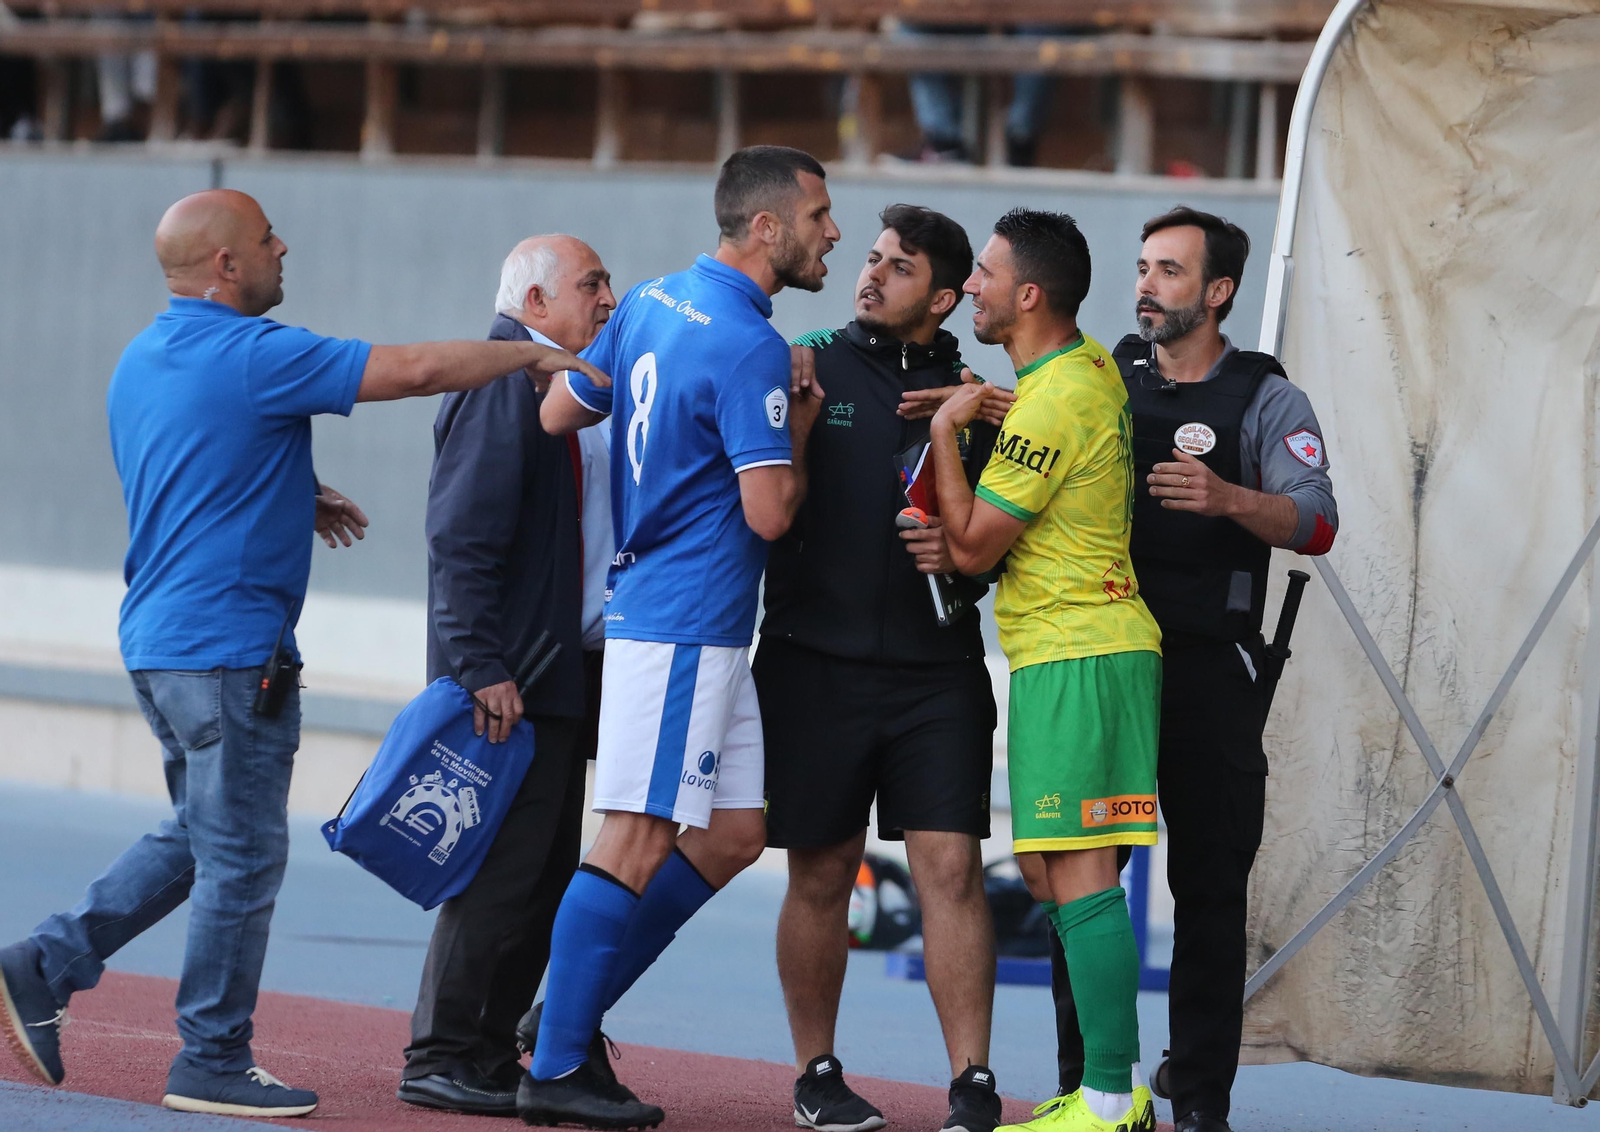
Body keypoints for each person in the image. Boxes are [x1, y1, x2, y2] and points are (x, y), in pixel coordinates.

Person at [0, 189, 604, 1120]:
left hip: (157, 642)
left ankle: (43, 963)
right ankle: (210, 1056)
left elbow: (187, 459)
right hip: (233, 651)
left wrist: (292, 488)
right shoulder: (258, 352)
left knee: (200, 838)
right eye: (267, 239)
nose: (286, 248)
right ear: (227, 266)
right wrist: (526, 354)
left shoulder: (143, 355)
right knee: (242, 861)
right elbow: (409, 370)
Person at [517, 144, 839, 1129]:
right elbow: (772, 513)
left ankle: (563, 1018)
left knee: (736, 832)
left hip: (675, 611)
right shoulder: (746, 343)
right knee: (636, 834)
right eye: (821, 214)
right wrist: (807, 421)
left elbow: (558, 408)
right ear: (767, 228)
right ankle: (557, 1063)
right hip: (687, 616)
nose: (834, 233)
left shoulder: (652, 298)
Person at [1048, 207, 1339, 1132]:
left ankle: (1201, 1104)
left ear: (1217, 292)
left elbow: (1320, 521)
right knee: (1083, 884)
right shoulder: (1099, 376)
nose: (1145, 285)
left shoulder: (1264, 397)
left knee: (1210, 895)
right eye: (1142, 266)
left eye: (1169, 271)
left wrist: (1231, 498)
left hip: (1209, 671)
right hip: (1103, 666)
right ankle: (1088, 1093)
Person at [760, 203, 1015, 1132]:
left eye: (898, 267)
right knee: (821, 872)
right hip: (809, 663)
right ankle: (815, 1072)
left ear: (945, 297)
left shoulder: (978, 397)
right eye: (869, 258)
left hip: (935, 671)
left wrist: (984, 423)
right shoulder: (802, 361)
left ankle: (973, 1084)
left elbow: (1000, 543)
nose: (871, 274)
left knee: (951, 869)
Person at [929, 208, 1161, 1132]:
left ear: (1028, 295)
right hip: (1069, 649)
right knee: (1044, 866)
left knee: (1081, 872)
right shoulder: (1081, 366)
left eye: (984, 274)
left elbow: (976, 547)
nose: (970, 288)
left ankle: (1110, 1099)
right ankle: (1104, 1089)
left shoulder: (1056, 399)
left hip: (1081, 651)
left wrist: (949, 429)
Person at [397, 235, 618, 1115]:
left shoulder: (538, 383)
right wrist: (481, 666)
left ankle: (484, 1053)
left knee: (539, 873)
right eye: (592, 285)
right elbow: (460, 537)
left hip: (544, 675)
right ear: (533, 304)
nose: (609, 299)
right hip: (509, 684)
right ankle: (443, 1054)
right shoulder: (499, 379)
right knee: (499, 877)